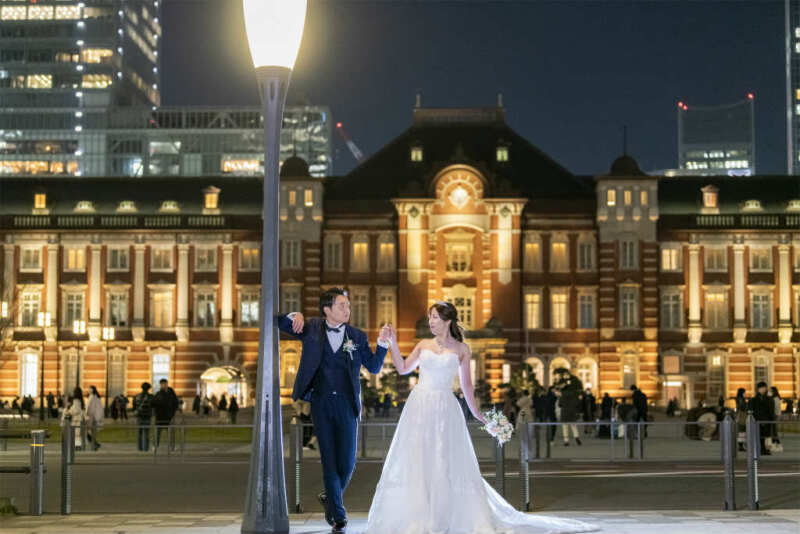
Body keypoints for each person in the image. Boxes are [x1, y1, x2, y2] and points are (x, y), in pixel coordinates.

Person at [365, 301, 595, 534]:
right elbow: (403, 368)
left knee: (444, 460)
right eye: (429, 317)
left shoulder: (462, 349)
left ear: (447, 321)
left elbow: (467, 387)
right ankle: (419, 516)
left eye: (434, 317)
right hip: (418, 406)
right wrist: (392, 343)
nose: (430, 321)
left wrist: (481, 416)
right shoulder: (423, 344)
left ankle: (443, 514)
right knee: (418, 460)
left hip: (445, 408)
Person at [278, 287, 390, 533]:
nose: (347, 309)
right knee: (329, 460)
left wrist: (382, 343)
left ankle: (330, 497)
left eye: (348, 305)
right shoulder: (312, 328)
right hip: (321, 402)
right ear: (327, 310)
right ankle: (339, 515)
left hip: (347, 404)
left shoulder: (357, 336)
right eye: (342, 305)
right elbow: (277, 323)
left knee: (348, 462)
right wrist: (293, 315)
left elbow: (373, 367)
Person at [152, 378, 179, 450]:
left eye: (165, 384)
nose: (164, 385)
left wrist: (172, 413)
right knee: (157, 432)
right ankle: (155, 446)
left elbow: (176, 403)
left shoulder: (171, 394)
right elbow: (154, 404)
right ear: (160, 385)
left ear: (167, 384)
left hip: (169, 416)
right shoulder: (158, 394)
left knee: (170, 433)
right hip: (160, 417)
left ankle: (172, 446)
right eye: (162, 384)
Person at [748, 382, 772, 456]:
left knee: (766, 436)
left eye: (764, 388)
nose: (763, 389)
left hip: (766, 420)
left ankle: (765, 449)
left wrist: (770, 419)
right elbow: (751, 410)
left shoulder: (768, 399)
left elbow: (770, 410)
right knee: (759, 436)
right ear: (758, 389)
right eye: (761, 388)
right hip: (757, 420)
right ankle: (760, 449)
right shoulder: (753, 399)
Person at [133, 382, 154, 452]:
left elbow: (134, 407)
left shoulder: (137, 396)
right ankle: (146, 449)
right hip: (147, 417)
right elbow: (153, 407)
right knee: (146, 434)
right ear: (149, 388)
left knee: (140, 434)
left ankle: (140, 448)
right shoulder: (151, 397)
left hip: (139, 417)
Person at [85, 385, 104, 451]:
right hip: (91, 417)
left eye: (89, 389)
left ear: (92, 390)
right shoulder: (92, 397)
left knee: (89, 433)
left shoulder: (93, 397)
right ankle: (95, 444)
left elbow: (92, 409)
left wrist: (89, 417)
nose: (88, 390)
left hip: (92, 417)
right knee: (89, 433)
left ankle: (95, 445)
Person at [769, 386, 782, 452]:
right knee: (773, 431)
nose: (769, 392)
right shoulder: (773, 398)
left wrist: (778, 415)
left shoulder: (775, 398)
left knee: (774, 431)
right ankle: (775, 444)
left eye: (771, 391)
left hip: (775, 415)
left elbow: (777, 408)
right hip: (774, 415)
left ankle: (778, 444)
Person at [735, 388, 748, 452]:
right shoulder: (741, 399)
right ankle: (741, 446)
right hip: (742, 415)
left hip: (741, 415)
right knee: (742, 430)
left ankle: (741, 445)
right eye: (744, 392)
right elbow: (741, 407)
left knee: (741, 431)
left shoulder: (739, 398)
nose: (745, 394)